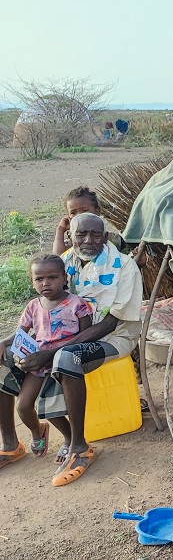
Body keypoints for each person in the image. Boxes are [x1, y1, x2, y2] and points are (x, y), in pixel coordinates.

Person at [0, 213, 143, 486]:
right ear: (70, 236)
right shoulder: (65, 261)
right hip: (61, 341)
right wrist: (5, 343)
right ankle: (10, 443)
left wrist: (50, 352)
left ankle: (79, 446)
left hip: (113, 337)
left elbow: (110, 323)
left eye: (95, 234)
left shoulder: (124, 267)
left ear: (105, 236)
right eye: (81, 234)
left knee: (66, 357)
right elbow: (36, 316)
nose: (88, 239)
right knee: (2, 356)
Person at [0, 254, 92, 465]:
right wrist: (3, 342)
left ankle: (70, 439)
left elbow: (85, 336)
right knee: (23, 406)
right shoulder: (33, 306)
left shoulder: (76, 304)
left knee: (49, 408)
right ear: (32, 282)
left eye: (52, 277)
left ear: (64, 278)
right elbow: (20, 334)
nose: (46, 283)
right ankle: (37, 432)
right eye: (39, 279)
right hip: (38, 363)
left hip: (63, 361)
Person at [52, 187, 126, 255]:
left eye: (84, 210)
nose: (79, 215)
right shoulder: (72, 241)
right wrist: (60, 230)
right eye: (73, 213)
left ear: (97, 212)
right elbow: (59, 255)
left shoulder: (109, 239)